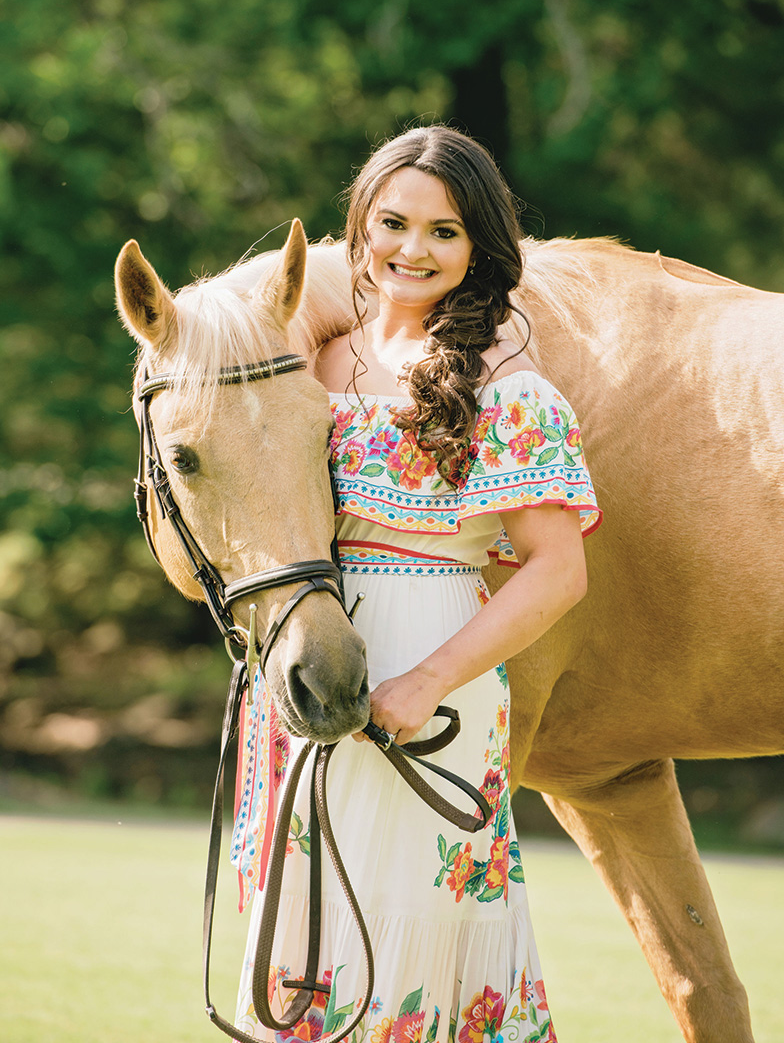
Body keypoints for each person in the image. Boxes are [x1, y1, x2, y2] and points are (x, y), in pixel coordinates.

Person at [231, 125, 601, 1043]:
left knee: (412, 909)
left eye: (445, 232)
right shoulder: (307, 369)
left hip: (435, 660)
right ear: (359, 226)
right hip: (315, 653)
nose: (413, 249)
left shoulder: (508, 390)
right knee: (313, 920)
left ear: (479, 249)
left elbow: (558, 572)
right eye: (394, 222)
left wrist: (425, 681)